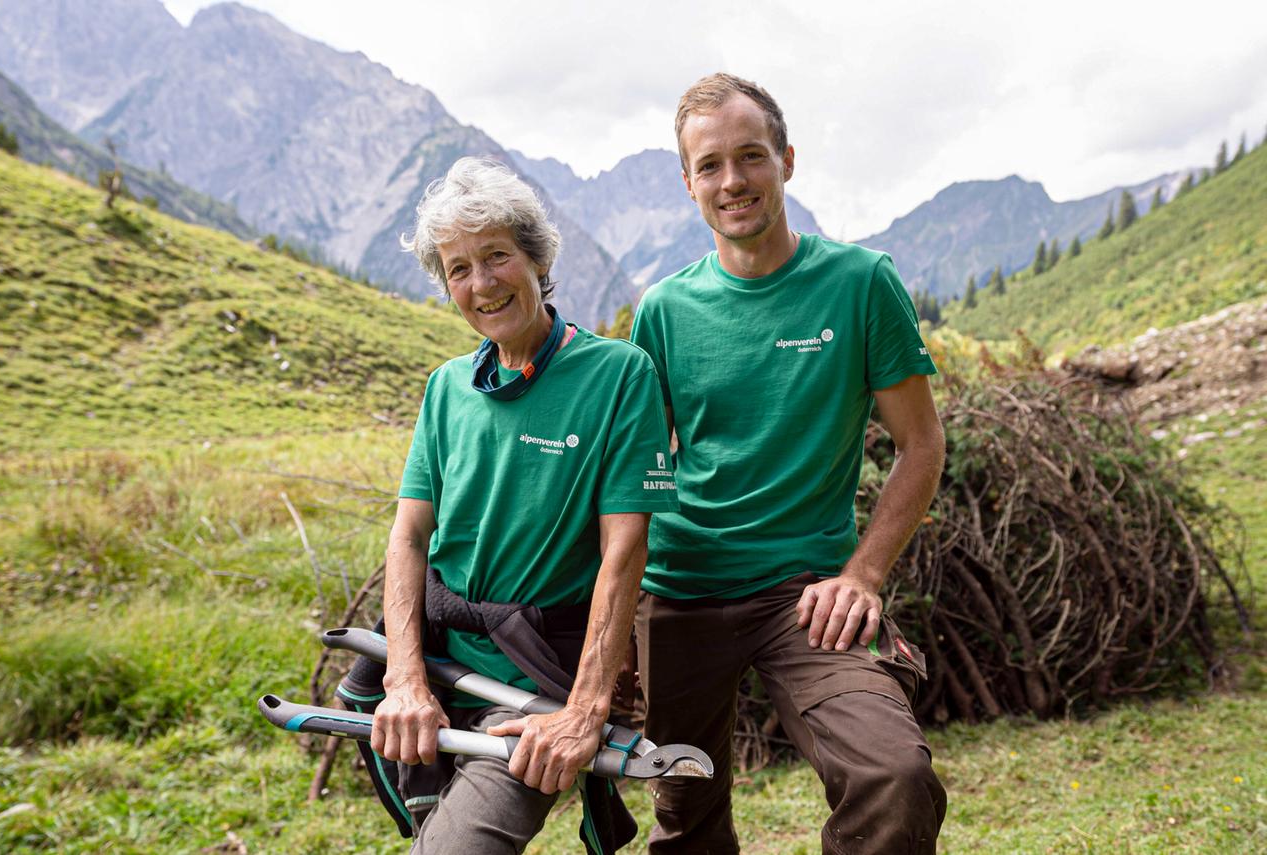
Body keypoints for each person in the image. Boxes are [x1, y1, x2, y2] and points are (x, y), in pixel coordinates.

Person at [629, 73, 949, 854]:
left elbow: (921, 444)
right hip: (677, 592)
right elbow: (642, 468)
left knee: (894, 776)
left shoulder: (860, 283)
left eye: (750, 157)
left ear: (787, 161)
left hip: (807, 596)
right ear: (688, 183)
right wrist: (616, 602)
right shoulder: (663, 310)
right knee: (685, 815)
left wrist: (863, 574)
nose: (732, 181)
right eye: (710, 166)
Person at [368, 156, 677, 854]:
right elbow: (410, 536)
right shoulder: (446, 388)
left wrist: (586, 706)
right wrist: (406, 677)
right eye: (458, 268)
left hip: (536, 685)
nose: (481, 283)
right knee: (437, 833)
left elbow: (625, 550)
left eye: (497, 256)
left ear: (537, 257)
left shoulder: (619, 375)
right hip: (443, 670)